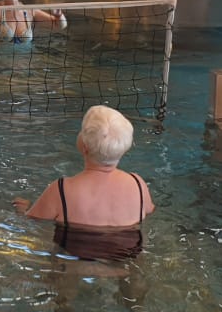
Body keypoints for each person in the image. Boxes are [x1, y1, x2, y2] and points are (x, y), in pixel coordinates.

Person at [14, 105, 155, 261]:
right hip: (125, 260)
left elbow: (31, 221)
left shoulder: (61, 190)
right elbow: (149, 210)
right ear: (124, 149)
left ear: (84, 147)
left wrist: (22, 209)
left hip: (74, 261)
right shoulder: (138, 185)